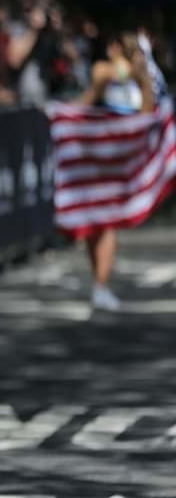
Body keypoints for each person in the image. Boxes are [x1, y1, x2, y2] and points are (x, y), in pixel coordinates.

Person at [75, 31, 157, 312]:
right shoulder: (102, 70)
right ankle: (99, 280)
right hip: (94, 155)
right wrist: (117, 75)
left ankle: (101, 285)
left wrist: (141, 79)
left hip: (119, 161)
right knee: (92, 225)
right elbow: (86, 102)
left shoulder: (141, 78)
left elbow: (146, 113)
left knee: (108, 222)